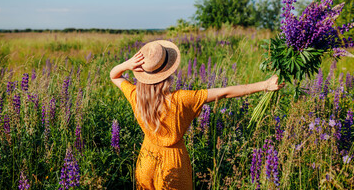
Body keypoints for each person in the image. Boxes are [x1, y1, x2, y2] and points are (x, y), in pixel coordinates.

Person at [110, 40, 284, 190]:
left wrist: (127, 65)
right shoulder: (182, 99)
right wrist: (264, 84)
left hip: (146, 159)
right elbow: (225, 92)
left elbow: (114, 76)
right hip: (174, 163)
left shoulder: (136, 96)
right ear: (167, 73)